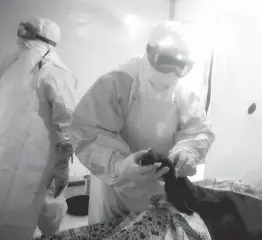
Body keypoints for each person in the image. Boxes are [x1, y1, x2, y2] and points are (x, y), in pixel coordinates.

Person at [70, 20, 215, 224]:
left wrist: (188, 151)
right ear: (149, 51)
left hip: (160, 186)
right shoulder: (119, 81)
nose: (171, 73)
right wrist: (120, 166)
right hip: (115, 185)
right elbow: (87, 130)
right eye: (165, 61)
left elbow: (198, 130)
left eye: (180, 66)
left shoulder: (186, 91)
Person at [0, 17, 77, 240]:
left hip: (8, 155)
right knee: (47, 203)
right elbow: (69, 121)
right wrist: (62, 164)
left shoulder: (7, 64)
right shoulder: (56, 71)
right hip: (40, 160)